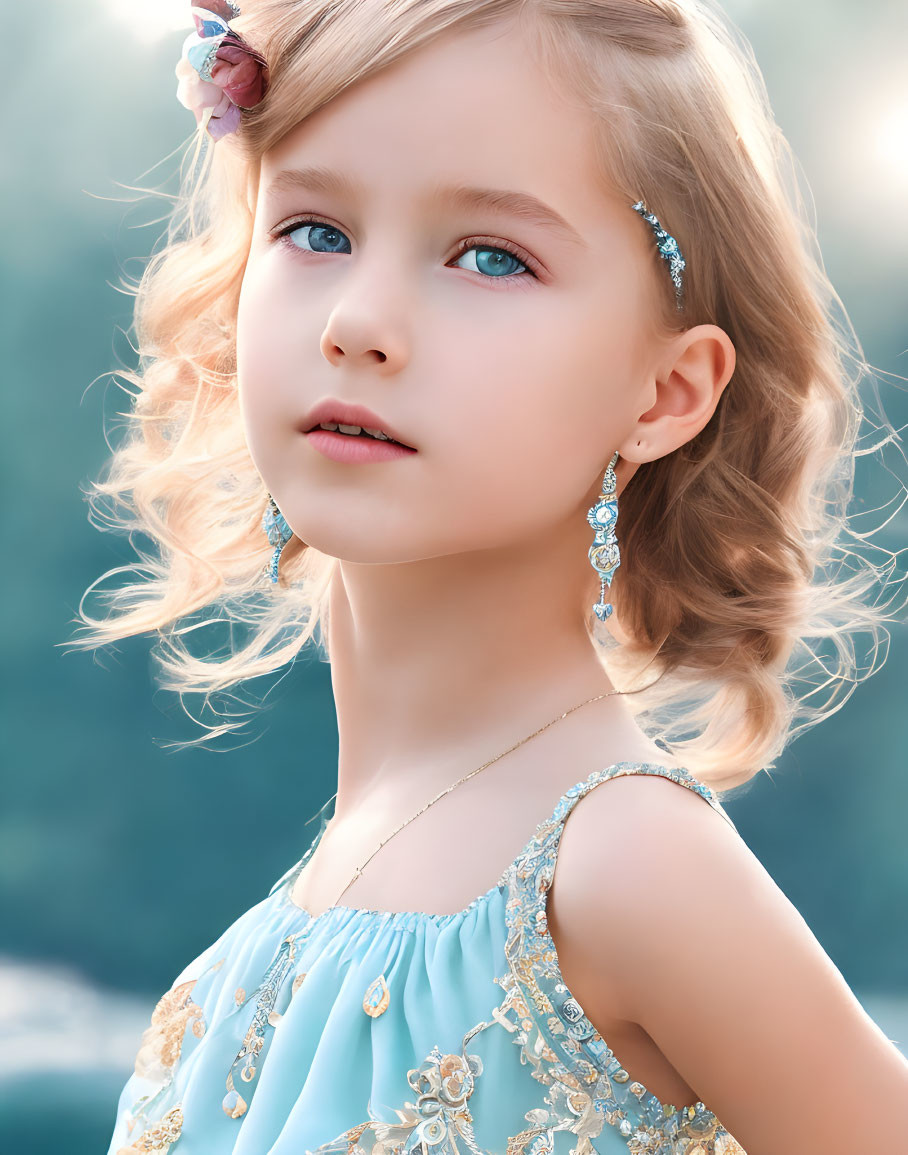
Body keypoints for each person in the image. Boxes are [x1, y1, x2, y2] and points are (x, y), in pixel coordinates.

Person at [73, 1, 908, 1151]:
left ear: (662, 394)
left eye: (489, 257)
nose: (360, 322)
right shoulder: (237, 964)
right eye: (315, 230)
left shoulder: (628, 871)